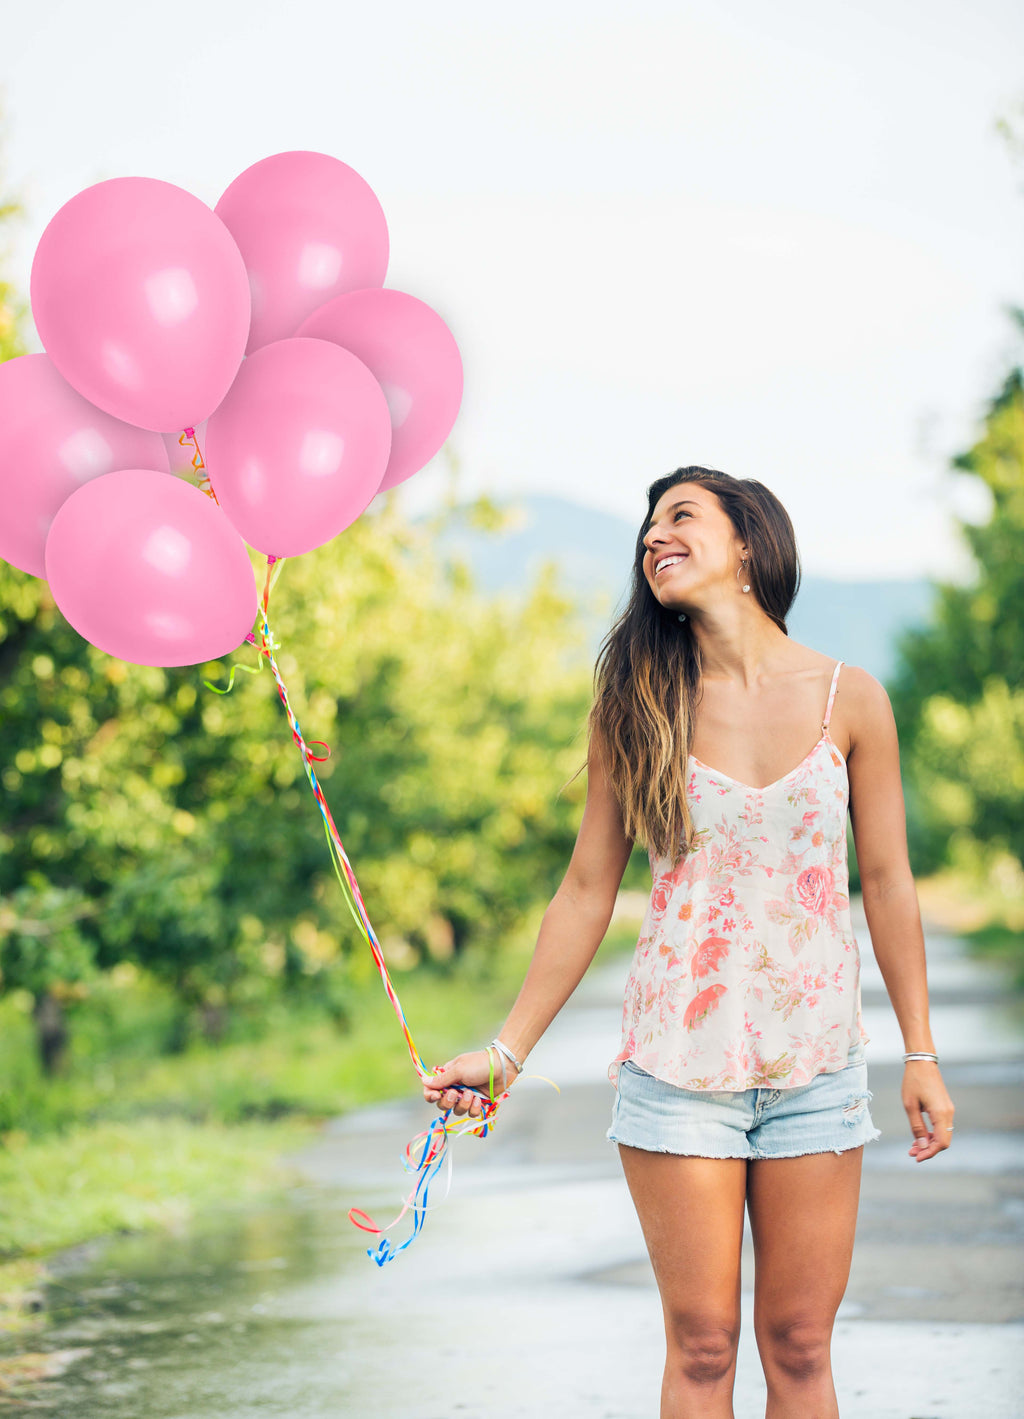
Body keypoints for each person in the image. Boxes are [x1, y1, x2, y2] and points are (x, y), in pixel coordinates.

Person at [424, 465, 955, 1418]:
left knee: (800, 1344)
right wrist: (507, 1052)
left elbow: (888, 883)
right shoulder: (636, 705)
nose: (653, 537)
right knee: (704, 1345)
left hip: (817, 1069)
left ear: (747, 541)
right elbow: (585, 889)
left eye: (680, 516)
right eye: (647, 527)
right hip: (676, 1068)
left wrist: (921, 1051)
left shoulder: (852, 699)